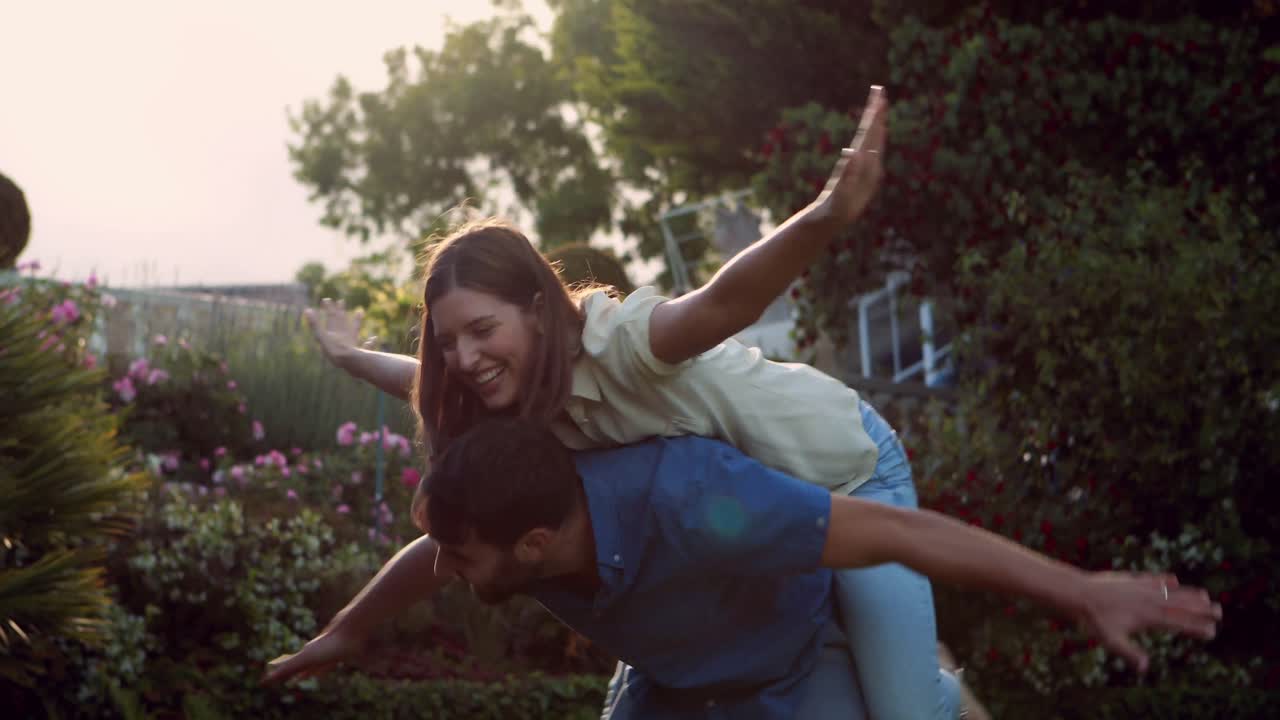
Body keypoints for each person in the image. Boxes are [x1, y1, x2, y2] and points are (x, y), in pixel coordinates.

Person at [306, 85, 989, 718]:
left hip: (846, 471)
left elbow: (725, 301)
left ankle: (942, 687)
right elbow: (425, 380)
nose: (464, 358)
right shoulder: (513, 392)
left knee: (906, 710)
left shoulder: (623, 345)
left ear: (539, 310)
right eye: (449, 341)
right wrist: (350, 357)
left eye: (482, 331)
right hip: (760, 520)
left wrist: (827, 215)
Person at [265, 417, 1222, 720]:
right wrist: (349, 630)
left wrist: (1080, 588)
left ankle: (940, 696)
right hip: (676, 679)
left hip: (796, 660)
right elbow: (425, 563)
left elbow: (903, 537)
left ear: (534, 549)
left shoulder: (701, 505)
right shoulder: (514, 526)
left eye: (463, 556)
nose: (449, 570)